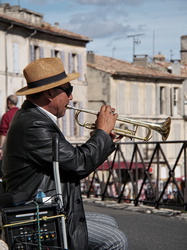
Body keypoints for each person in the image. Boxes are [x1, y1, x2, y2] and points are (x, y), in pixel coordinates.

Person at [2, 57, 128, 249]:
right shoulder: (34, 124)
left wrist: (104, 139)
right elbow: (79, 164)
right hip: (40, 213)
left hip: (49, 204)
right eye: (68, 90)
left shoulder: (33, 117)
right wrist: (102, 134)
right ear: (50, 93)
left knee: (110, 222)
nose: (71, 97)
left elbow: (70, 159)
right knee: (115, 240)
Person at [0, 95, 19, 177]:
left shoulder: (6, 115)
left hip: (10, 146)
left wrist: (0, 148)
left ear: (9, 102)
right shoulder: (21, 113)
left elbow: (3, 132)